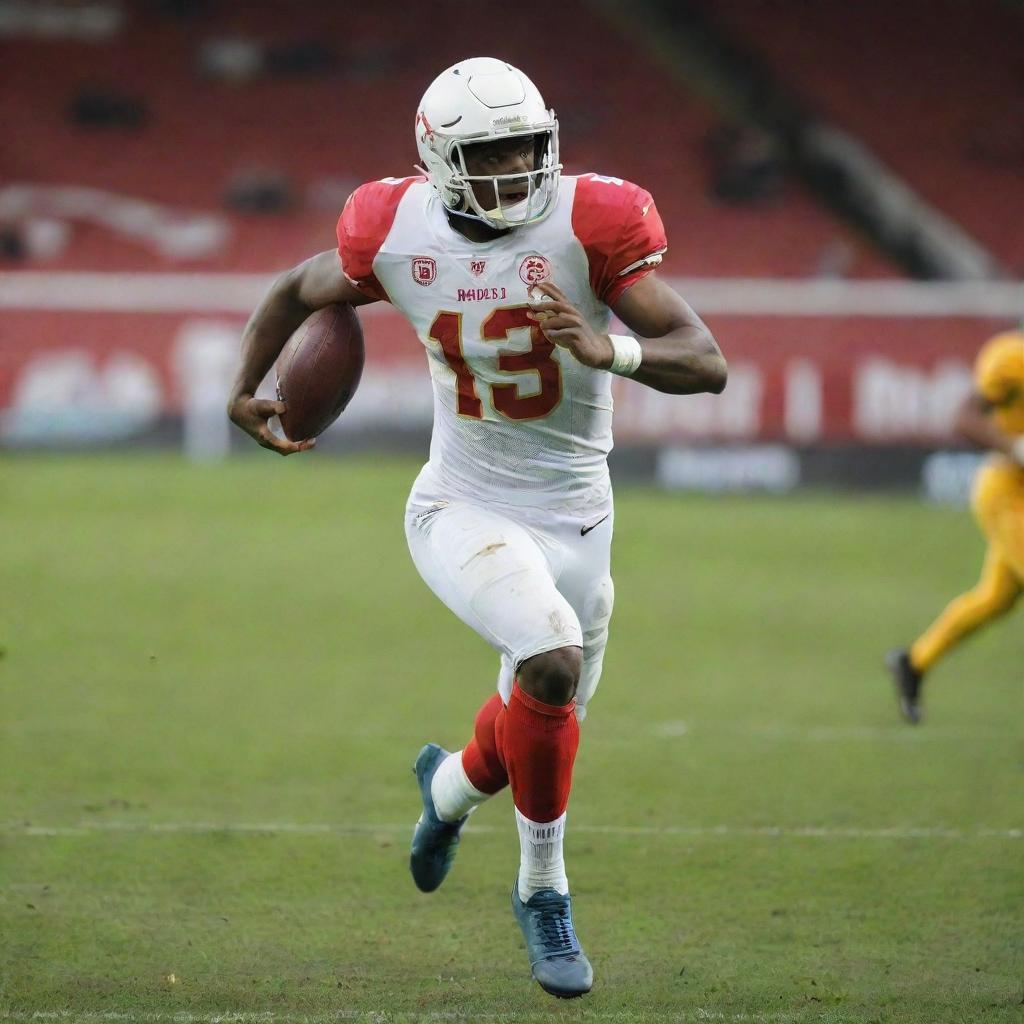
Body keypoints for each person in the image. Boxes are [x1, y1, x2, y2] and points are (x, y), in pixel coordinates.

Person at [228, 57, 726, 999]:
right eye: (489, 152)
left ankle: (448, 787)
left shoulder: (593, 220)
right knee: (549, 658)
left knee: (538, 719)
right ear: (438, 158)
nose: (513, 170)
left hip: (580, 518)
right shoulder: (393, 226)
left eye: (525, 148)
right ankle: (544, 889)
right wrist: (241, 390)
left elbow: (706, 362)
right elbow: (297, 292)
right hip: (461, 504)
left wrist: (606, 346)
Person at [888, 329, 1023, 723]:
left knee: (996, 598)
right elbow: (963, 417)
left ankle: (913, 662)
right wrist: (1016, 447)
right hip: (1009, 494)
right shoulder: (1011, 359)